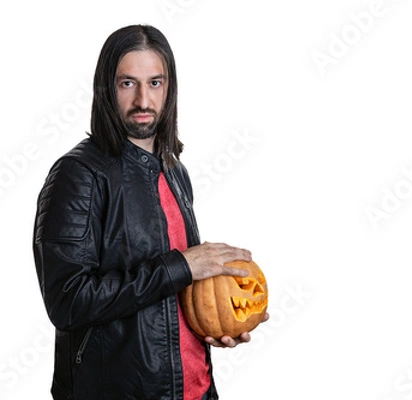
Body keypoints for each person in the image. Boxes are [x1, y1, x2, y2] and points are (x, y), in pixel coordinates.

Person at [32, 24, 266, 400]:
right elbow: (68, 301)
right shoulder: (78, 175)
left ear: (169, 88)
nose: (144, 99)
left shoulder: (174, 171)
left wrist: (217, 315)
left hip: (195, 389)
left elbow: (172, 296)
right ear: (106, 89)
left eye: (155, 83)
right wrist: (183, 266)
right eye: (128, 83)